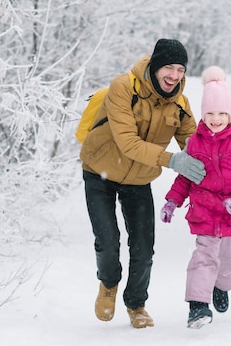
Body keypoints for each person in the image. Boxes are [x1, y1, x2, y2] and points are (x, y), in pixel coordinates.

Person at [79, 38, 206, 329]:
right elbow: (127, 143)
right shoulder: (123, 87)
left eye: (181, 69)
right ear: (155, 66)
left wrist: (228, 171)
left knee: (144, 248)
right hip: (100, 171)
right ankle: (109, 284)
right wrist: (173, 160)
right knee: (108, 241)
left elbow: (197, 146)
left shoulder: (180, 105)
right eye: (169, 68)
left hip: (138, 180)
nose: (174, 75)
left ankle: (136, 303)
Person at [159, 66, 231, 329]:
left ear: (230, 113)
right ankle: (197, 306)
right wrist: (172, 201)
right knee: (203, 257)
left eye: (221, 113)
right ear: (203, 114)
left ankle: (222, 286)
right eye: (209, 113)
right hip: (205, 211)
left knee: (228, 260)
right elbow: (186, 176)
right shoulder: (195, 143)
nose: (215, 119)